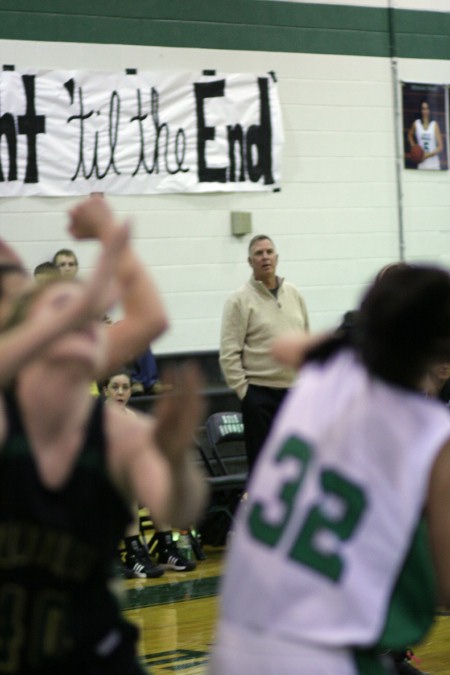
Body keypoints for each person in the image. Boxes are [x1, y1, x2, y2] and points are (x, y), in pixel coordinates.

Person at [0, 200, 207, 674]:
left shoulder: (117, 428)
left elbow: (179, 509)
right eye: (61, 310)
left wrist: (175, 460)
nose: (79, 319)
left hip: (96, 654)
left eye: (85, 317)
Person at [211, 265, 450, 675]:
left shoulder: (324, 368)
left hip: (234, 644)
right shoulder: (432, 437)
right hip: (320, 657)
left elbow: (284, 347)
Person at [219, 234, 309, 474]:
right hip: (259, 396)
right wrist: (245, 393)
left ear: (277, 258)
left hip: (294, 393)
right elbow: (228, 353)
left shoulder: (294, 293)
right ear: (250, 261)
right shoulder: (239, 300)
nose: (265, 257)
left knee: (296, 466)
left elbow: (305, 339)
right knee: (263, 471)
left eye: (269, 252)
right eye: (259, 253)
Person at [103, 370, 196, 576]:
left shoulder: (131, 416)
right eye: (115, 387)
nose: (120, 392)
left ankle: (165, 549)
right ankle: (133, 553)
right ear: (105, 390)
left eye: (125, 388)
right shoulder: (99, 417)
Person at [407, 99, 443, 170]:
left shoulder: (434, 125)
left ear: (430, 110)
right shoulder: (416, 123)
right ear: (420, 110)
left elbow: (440, 147)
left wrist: (427, 155)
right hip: (421, 164)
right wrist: (414, 147)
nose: (425, 111)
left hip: (434, 164)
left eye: (427, 109)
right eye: (423, 109)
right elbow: (409, 135)